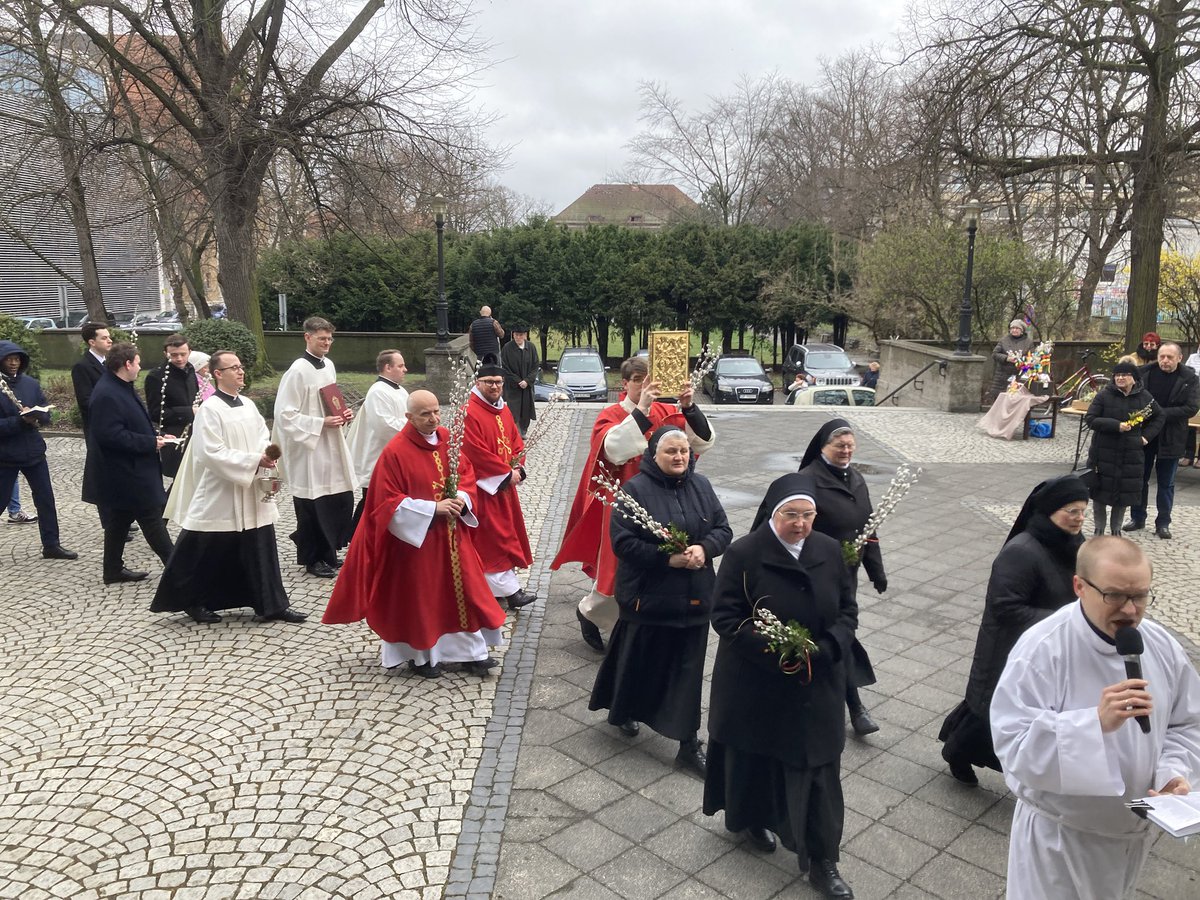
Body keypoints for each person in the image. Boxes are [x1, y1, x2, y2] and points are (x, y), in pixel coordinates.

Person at [991, 537, 1200, 900]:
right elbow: (1014, 745)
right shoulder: (1043, 649)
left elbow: (1186, 723)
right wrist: (1094, 724)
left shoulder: (1161, 645)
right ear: (1079, 587)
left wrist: (1173, 773)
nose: (1131, 610)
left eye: (1140, 596)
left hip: (1131, 834)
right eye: (1115, 595)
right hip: (1061, 840)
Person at [703, 473, 858, 900]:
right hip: (757, 681)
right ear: (774, 514)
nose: (802, 523)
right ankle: (754, 818)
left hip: (817, 682)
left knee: (818, 768)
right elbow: (726, 616)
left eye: (809, 515)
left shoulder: (828, 550)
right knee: (756, 756)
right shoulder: (744, 554)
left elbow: (848, 610)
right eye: (792, 514)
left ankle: (823, 859)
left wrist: (827, 647)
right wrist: (776, 650)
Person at [322, 390, 507, 678]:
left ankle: (472, 653)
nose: (433, 419)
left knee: (467, 592)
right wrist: (432, 509)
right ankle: (422, 657)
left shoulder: (448, 440)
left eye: (436, 411)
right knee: (424, 599)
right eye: (425, 414)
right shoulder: (395, 452)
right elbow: (385, 502)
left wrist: (461, 498)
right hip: (417, 543)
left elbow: (466, 475)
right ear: (409, 417)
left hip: (452, 538)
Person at [588, 426, 731, 776]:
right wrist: (666, 559)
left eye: (683, 450)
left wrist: (704, 548)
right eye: (671, 451)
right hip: (647, 598)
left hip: (695, 597)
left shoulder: (702, 486)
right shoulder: (634, 491)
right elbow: (623, 543)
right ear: (654, 455)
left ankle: (687, 742)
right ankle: (623, 710)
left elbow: (723, 529)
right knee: (638, 659)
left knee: (689, 671)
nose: (680, 457)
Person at [551, 356, 715, 652]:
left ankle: (637, 627)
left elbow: (701, 442)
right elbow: (614, 449)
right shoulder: (611, 414)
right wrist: (641, 410)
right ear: (624, 384)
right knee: (617, 571)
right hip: (623, 504)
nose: (644, 384)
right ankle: (590, 612)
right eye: (637, 380)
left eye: (648, 378)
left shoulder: (667, 411)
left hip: (665, 501)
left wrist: (689, 407)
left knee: (657, 567)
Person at [939, 475, 1089, 785]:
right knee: (989, 709)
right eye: (1071, 511)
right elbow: (1004, 607)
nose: (1079, 518)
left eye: (1083, 510)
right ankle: (957, 751)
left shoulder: (1076, 544)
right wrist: (1063, 621)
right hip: (1009, 646)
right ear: (1050, 510)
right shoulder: (1021, 551)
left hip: (1051, 646)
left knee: (1024, 710)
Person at [153, 351, 306, 625]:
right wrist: (251, 461)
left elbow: (262, 435)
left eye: (241, 366)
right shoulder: (210, 410)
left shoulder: (248, 404)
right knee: (204, 548)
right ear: (217, 374)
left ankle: (271, 604)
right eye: (233, 368)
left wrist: (266, 455)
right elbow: (210, 452)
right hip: (220, 491)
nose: (240, 371)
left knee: (260, 547)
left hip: (251, 493)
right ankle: (192, 601)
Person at [752, 420, 883, 736]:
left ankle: (843, 703)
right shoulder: (808, 479)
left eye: (851, 445)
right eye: (840, 446)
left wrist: (876, 570)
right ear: (823, 446)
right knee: (833, 635)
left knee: (837, 634)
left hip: (844, 575)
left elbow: (868, 526)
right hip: (811, 574)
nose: (846, 451)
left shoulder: (856, 478)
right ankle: (854, 706)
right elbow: (774, 526)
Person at [271, 316, 356, 578]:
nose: (327, 343)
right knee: (312, 503)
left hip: (330, 441)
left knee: (338, 498)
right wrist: (320, 422)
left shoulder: (327, 365)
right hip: (308, 447)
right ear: (307, 337)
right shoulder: (297, 371)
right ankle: (312, 558)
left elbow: (331, 398)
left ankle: (328, 551)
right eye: (322, 338)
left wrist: (343, 413)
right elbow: (284, 414)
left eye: (330, 339)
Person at [87, 342, 175, 583]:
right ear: (127, 364)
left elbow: (129, 423)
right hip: (127, 472)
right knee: (153, 520)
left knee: (118, 520)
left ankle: (112, 570)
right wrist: (149, 443)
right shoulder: (107, 393)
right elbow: (110, 435)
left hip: (127, 470)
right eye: (137, 362)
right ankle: (179, 570)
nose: (140, 367)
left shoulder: (120, 386)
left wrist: (154, 435)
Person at [462, 356, 538, 611]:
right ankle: (510, 591)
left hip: (505, 486)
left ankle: (500, 590)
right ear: (478, 382)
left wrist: (518, 467)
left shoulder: (503, 408)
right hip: (485, 489)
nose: (494, 387)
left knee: (506, 534)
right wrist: (504, 474)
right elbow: (474, 452)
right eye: (489, 382)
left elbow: (516, 440)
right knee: (494, 539)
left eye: (498, 382)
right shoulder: (469, 412)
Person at [0, 341, 76, 560]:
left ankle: (51, 544)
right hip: (6, 455)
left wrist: (39, 416)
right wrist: (20, 421)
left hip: (33, 452)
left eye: (17, 359)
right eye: (9, 359)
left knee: (45, 499)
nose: (14, 363)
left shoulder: (31, 384)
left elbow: (46, 413)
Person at [1123, 341, 1199, 539]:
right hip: (1145, 434)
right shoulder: (1143, 372)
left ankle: (1163, 522)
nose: (1165, 361)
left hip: (1172, 435)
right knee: (1140, 478)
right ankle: (1137, 517)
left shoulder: (1190, 378)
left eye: (1170, 357)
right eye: (1162, 356)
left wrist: (1160, 414)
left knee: (1167, 483)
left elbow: (1191, 408)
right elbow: (1132, 398)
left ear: (1179, 358)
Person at [1084, 361, 1163, 536]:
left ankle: (1116, 529)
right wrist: (1116, 426)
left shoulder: (1144, 397)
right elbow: (1091, 419)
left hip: (1131, 454)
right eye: (1117, 375)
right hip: (1103, 452)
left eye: (1124, 375)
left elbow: (1159, 416)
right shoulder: (1104, 395)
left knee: (1123, 494)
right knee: (1099, 493)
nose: (1120, 378)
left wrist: (1145, 437)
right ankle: (1099, 528)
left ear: (1134, 378)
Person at [345, 349, 408, 530]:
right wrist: (413, 425)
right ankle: (357, 536)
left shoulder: (400, 390)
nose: (405, 369)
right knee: (373, 502)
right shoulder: (378, 391)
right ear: (387, 367)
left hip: (395, 456)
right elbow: (384, 426)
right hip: (377, 456)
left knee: (382, 501)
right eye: (401, 365)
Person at [144, 333, 198, 479]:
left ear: (190, 352)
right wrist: (189, 412)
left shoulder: (191, 370)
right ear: (165, 354)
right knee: (179, 483)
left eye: (183, 354)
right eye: (173, 355)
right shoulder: (156, 377)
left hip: (196, 434)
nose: (179, 359)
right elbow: (155, 413)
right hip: (173, 436)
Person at [71, 322, 112, 432]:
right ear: (92, 342)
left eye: (109, 337)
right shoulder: (82, 367)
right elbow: (86, 402)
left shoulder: (112, 363)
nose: (110, 341)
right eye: (104, 338)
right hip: (99, 426)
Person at [500, 325, 539, 435]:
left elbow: (535, 366)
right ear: (513, 335)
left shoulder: (531, 347)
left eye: (521, 335)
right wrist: (517, 381)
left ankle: (524, 430)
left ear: (525, 335)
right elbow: (505, 367)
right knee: (514, 409)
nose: (518, 337)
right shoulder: (507, 348)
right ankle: (515, 431)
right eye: (516, 335)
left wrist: (527, 381)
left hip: (527, 386)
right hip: (513, 386)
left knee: (526, 408)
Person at [986, 319, 1032, 403]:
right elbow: (995, 354)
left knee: (1017, 399)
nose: (1014, 330)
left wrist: (1023, 360)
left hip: (1020, 375)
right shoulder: (1004, 340)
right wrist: (1006, 358)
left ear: (1022, 330)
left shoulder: (1028, 342)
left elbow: (1032, 356)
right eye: (1012, 328)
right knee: (1000, 400)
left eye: (1017, 328)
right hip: (1002, 376)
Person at [1181, 347, 1200, 466]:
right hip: (1194, 394)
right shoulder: (1193, 357)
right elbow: (1187, 373)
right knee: (1190, 426)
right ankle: (1189, 455)